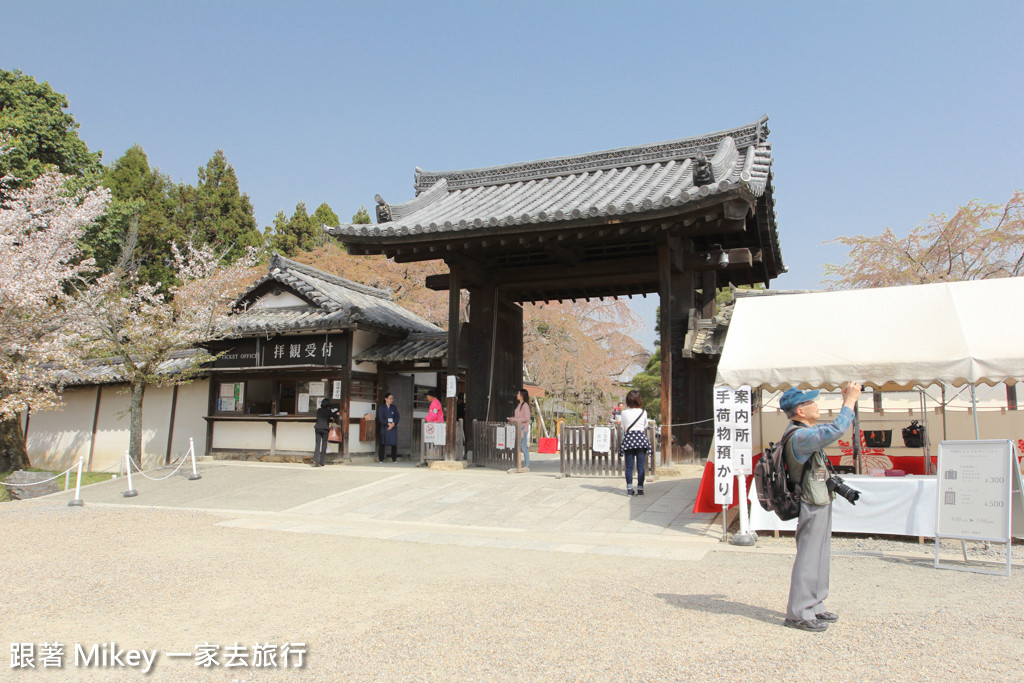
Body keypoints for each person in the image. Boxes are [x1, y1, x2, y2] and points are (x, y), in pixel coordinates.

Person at [781, 382, 862, 632]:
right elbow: (837, 429)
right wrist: (850, 401)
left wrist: (846, 402)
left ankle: (815, 604)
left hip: (819, 499)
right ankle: (799, 612)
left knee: (820, 554)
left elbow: (833, 428)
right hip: (810, 501)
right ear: (800, 411)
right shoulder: (801, 436)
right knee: (809, 556)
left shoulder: (806, 431)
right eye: (811, 402)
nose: (817, 405)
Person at [619, 390, 650, 495]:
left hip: (629, 440)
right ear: (639, 400)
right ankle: (640, 489)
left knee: (629, 466)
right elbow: (645, 426)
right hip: (641, 440)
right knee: (641, 466)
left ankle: (629, 489)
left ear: (628, 400)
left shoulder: (624, 413)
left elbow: (623, 427)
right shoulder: (643, 412)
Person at [508, 388, 531, 470]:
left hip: (523, 428)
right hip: (518, 428)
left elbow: (526, 418)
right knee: (518, 447)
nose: (517, 395)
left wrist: (515, 419)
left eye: (518, 394)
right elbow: (519, 417)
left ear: (522, 395)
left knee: (524, 447)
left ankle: (527, 465)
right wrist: (513, 419)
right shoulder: (519, 405)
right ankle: (519, 464)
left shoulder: (525, 405)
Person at [313, 398, 339, 467]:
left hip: (317, 428)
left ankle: (315, 460)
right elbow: (334, 416)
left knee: (317, 445)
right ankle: (322, 462)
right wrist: (337, 412)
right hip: (325, 429)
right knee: (324, 446)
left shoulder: (318, 410)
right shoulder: (328, 411)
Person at [377, 392, 400, 463]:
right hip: (384, 427)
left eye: (392, 399)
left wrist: (393, 424)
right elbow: (381, 418)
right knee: (382, 443)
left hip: (392, 427)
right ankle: (381, 459)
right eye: (390, 398)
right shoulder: (381, 408)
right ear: (385, 399)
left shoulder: (394, 407)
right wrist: (388, 424)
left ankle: (394, 459)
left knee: (394, 443)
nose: (391, 400)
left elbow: (397, 417)